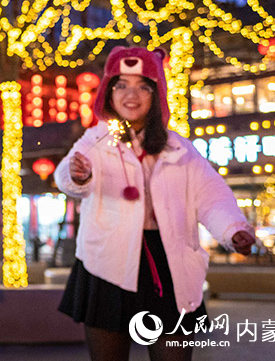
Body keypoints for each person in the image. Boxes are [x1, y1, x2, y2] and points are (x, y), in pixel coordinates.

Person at [55, 46, 255, 361]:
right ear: (109, 92)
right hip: (107, 263)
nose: (130, 95)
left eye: (142, 86)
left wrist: (232, 230)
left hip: (168, 263)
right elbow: (67, 177)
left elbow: (211, 194)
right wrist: (77, 174)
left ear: (156, 94)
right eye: (121, 85)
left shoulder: (180, 148)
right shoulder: (94, 141)